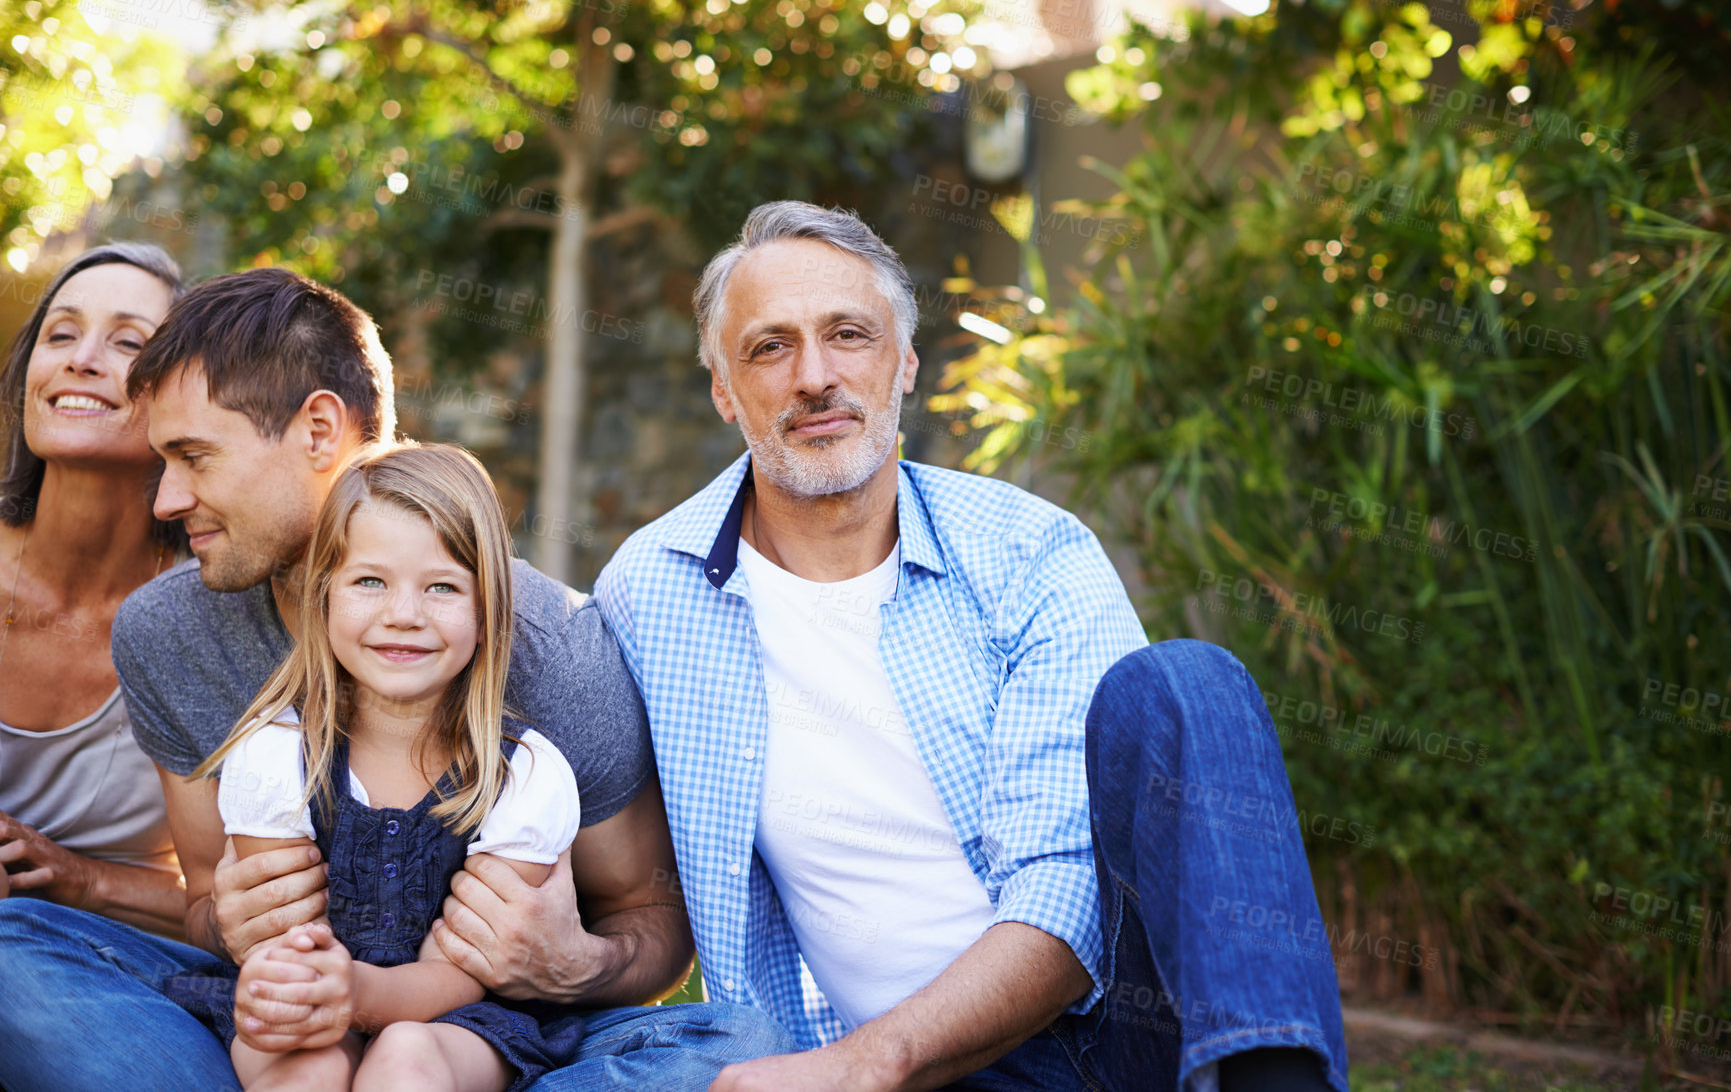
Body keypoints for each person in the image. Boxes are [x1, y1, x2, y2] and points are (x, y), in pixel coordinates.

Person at [593, 201, 1349, 1092]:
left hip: (1108, 1033)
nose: (815, 376)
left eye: (849, 334)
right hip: (869, 1068)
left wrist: (861, 1066)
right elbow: (615, 863)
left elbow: (1066, 892)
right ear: (724, 389)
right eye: (769, 347)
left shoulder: (1031, 551)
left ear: (904, 362)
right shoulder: (651, 590)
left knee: (1187, 682)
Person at [0, 266, 789, 1092]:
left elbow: (650, 921)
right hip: (284, 1028)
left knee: (734, 1040)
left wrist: (576, 962)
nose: (165, 499)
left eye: (193, 456)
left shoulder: (547, 646)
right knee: (16, 940)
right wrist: (231, 924)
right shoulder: (171, 632)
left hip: (485, 1040)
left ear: (317, 430)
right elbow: (205, 905)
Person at [166, 442, 590, 1092]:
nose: (403, 614)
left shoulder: (524, 773)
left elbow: (465, 970)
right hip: (310, 1002)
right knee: (307, 1063)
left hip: (460, 1016)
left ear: (485, 613)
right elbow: (282, 942)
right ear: (325, 596)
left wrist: (358, 992)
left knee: (406, 1057)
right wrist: (299, 989)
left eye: (442, 587)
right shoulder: (277, 752)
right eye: (370, 580)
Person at [0, 241, 189, 936]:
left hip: (117, 963)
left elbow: (230, 907)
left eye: (128, 342)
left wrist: (79, 879)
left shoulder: (211, 615)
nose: (82, 359)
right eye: (61, 333)